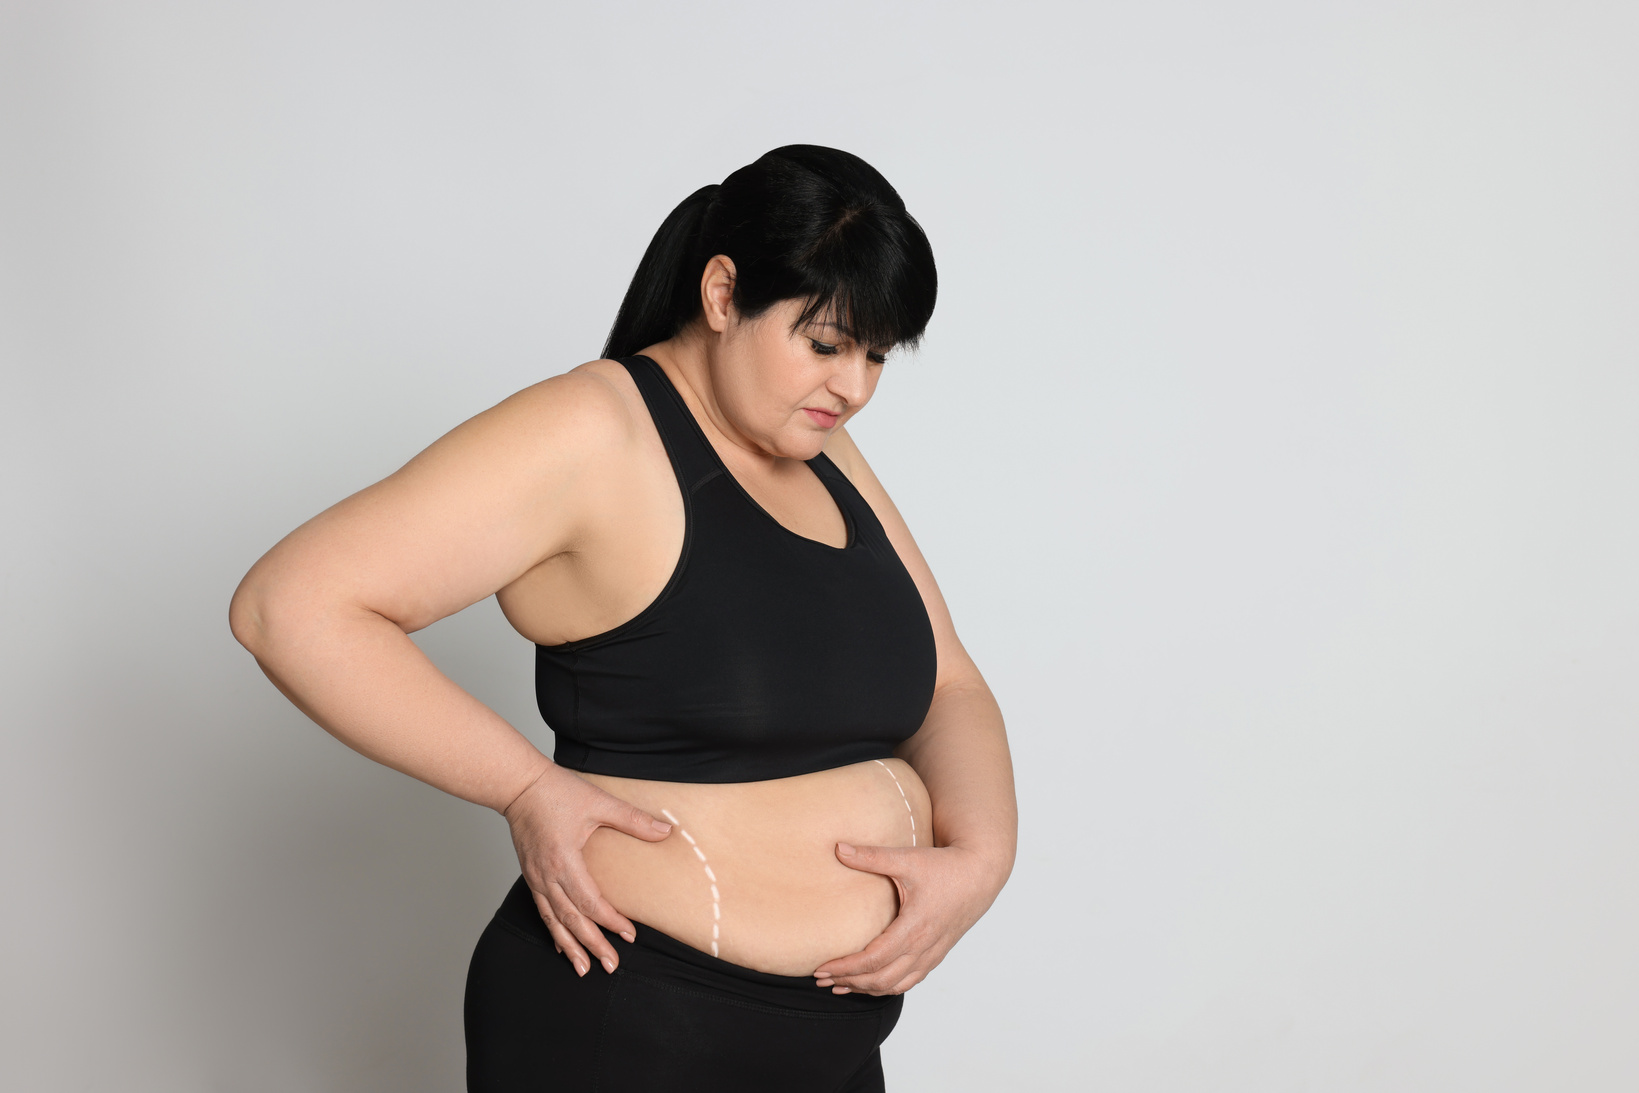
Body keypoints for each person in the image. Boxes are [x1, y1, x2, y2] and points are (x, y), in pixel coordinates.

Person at [229, 144, 1017, 1092]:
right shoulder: (592, 432)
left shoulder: (820, 450)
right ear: (723, 293)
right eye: (825, 343)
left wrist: (980, 855)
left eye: (876, 355)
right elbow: (292, 605)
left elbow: (949, 682)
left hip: (832, 1045)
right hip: (632, 1029)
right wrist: (524, 786)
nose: (852, 387)